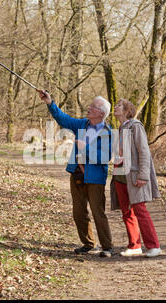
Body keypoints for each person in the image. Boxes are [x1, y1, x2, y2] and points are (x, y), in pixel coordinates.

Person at [38, 89, 114, 258]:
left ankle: (107, 246)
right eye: (90, 106)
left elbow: (104, 158)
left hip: (95, 178)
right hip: (77, 175)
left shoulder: (107, 133)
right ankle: (88, 244)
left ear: (101, 113)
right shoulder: (82, 124)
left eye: (93, 107)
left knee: (97, 212)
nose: (89, 108)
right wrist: (50, 103)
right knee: (79, 212)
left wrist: (84, 148)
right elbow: (63, 119)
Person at [110, 98, 161, 257]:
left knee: (140, 210)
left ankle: (153, 246)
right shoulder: (119, 129)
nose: (115, 108)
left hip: (134, 176)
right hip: (119, 175)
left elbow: (144, 152)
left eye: (119, 106)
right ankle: (134, 245)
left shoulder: (136, 126)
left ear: (127, 110)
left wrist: (143, 175)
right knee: (126, 212)